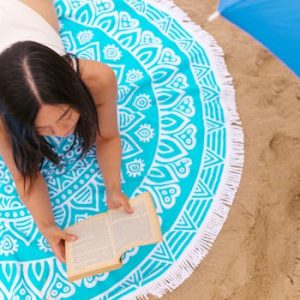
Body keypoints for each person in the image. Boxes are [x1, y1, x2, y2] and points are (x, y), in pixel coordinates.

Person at [0, 0, 133, 264]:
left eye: (66, 115)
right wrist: (47, 226)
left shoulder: (96, 79)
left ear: (74, 89)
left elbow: (107, 136)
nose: (62, 132)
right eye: (43, 128)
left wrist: (113, 188)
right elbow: (24, 173)